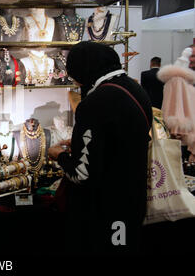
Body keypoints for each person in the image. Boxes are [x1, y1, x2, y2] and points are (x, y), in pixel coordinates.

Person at [48, 42, 152, 254]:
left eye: (73, 72)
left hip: (105, 210)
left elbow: (82, 174)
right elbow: (121, 140)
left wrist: (59, 156)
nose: (74, 80)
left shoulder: (95, 103)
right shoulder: (135, 89)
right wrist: (81, 143)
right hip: (133, 203)